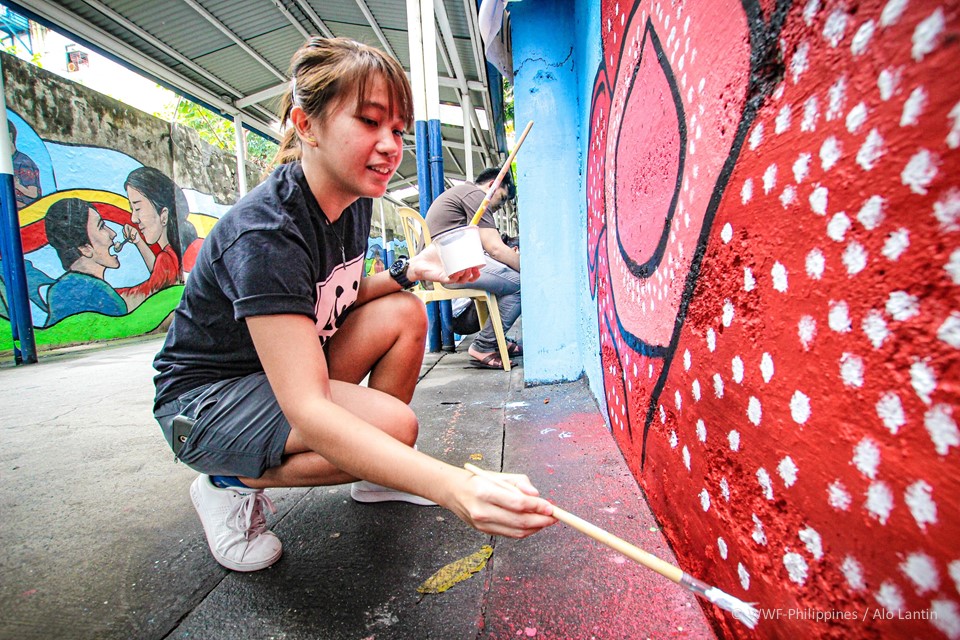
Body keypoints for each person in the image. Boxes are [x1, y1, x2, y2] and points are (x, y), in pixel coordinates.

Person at [151, 37, 556, 573]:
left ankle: (374, 475)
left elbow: (331, 301)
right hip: (206, 402)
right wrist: (454, 487)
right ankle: (224, 482)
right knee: (395, 428)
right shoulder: (266, 232)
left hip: (275, 374)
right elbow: (309, 408)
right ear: (306, 125)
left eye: (398, 131)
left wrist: (412, 272)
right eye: (369, 122)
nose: (391, 145)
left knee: (404, 312)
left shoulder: (353, 202)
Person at [425, 168, 522, 369]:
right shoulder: (477, 197)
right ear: (492, 185)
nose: (500, 207)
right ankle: (484, 345)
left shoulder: (462, 193)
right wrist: (529, 270)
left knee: (507, 280)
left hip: (442, 264)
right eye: (502, 199)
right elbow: (495, 249)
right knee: (520, 284)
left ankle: (497, 340)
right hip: (446, 267)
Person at [43, 197, 128, 326]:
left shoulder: (59, 290)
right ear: (85, 249)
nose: (113, 233)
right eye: (101, 227)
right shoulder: (100, 295)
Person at [121, 167, 200, 305]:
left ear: (163, 215)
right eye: (131, 209)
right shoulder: (173, 256)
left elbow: (145, 293)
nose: (134, 218)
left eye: (138, 208)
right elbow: (160, 274)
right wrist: (139, 242)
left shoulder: (168, 258)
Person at [9, 122, 42, 210]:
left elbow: (33, 194)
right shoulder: (7, 161)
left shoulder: (24, 163)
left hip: (26, 210)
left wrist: (17, 185)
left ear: (9, 137)